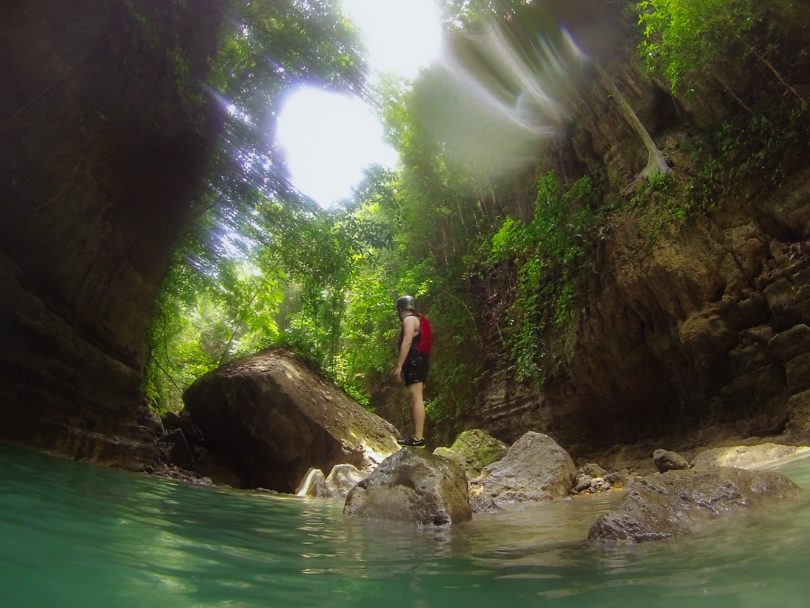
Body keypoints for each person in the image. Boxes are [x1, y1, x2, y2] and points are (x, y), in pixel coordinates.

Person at [393, 295, 430, 447]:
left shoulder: (409, 320)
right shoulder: (419, 320)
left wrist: (399, 365)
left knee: (416, 398)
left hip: (414, 361)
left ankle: (418, 438)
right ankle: (417, 437)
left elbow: (407, 341)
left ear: (401, 309)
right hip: (421, 361)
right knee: (415, 397)